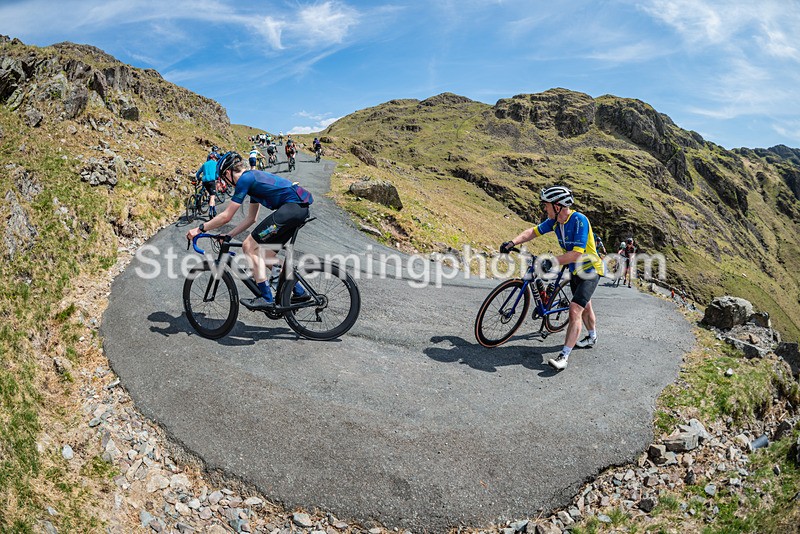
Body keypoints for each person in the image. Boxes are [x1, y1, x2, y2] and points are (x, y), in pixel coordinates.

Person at [186, 151, 314, 311]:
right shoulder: (253, 181)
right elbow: (251, 218)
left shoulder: (245, 179)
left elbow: (226, 216)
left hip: (292, 208)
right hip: (297, 209)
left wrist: (199, 229)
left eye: (223, 177)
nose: (226, 182)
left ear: (228, 172)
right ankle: (299, 291)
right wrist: (229, 235)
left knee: (249, 246)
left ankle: (266, 298)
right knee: (266, 256)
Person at [499, 185, 604, 371]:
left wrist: (551, 261)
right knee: (585, 305)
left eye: (546, 205)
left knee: (574, 309)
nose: (544, 209)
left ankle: (564, 356)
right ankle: (592, 336)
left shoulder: (579, 220)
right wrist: (512, 242)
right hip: (573, 271)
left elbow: (576, 254)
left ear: (557, 206)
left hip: (590, 270)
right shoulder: (555, 222)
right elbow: (532, 232)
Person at [195, 152, 219, 218]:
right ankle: (210, 211)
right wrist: (217, 177)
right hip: (211, 181)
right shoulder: (215, 164)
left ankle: (214, 210)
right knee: (212, 196)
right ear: (213, 158)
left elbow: (198, 173)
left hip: (204, 181)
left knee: (210, 195)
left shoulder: (204, 164)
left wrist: (198, 178)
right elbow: (217, 174)